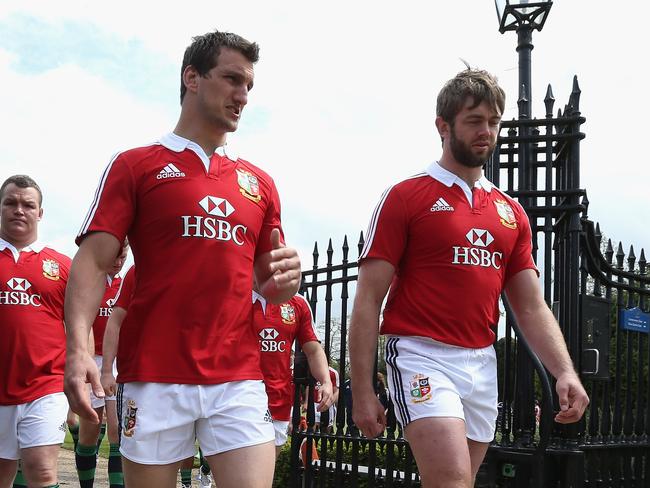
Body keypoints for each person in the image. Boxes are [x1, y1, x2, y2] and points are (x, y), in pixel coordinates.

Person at [64, 29, 301, 488]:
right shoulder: (136, 165)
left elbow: (265, 282)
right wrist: (78, 350)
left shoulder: (260, 184)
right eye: (233, 79)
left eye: (249, 86)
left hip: (237, 377)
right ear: (192, 77)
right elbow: (93, 263)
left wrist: (283, 283)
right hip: (154, 375)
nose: (243, 96)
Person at [349, 69, 590, 488]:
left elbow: (530, 306)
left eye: (494, 121)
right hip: (420, 354)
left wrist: (564, 371)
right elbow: (368, 298)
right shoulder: (406, 196)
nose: (487, 132)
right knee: (451, 480)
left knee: (462, 480)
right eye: (474, 120)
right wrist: (363, 389)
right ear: (443, 126)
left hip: (482, 362)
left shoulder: (511, 213)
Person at [0, 175, 72, 488]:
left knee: (42, 471)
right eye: (11, 203)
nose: (19, 210)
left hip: (46, 385)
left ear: (39, 213)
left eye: (28, 205)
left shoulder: (61, 265)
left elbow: (79, 324)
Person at [252, 289, 334, 457]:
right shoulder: (234, 294)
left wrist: (326, 381)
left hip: (277, 400)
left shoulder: (297, 303)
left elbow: (313, 350)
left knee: (263, 475)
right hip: (236, 397)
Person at [75, 241, 128, 488]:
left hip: (117, 363)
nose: (118, 262)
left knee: (117, 431)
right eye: (115, 256)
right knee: (90, 431)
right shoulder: (90, 282)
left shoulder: (125, 283)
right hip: (92, 360)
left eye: (123, 257)